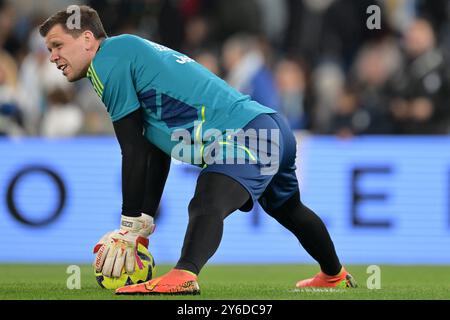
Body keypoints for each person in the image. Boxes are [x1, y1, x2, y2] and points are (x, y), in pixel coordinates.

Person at [39, 5, 356, 295]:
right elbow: (154, 148)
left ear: (87, 38)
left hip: (246, 133)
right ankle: (334, 275)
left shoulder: (109, 59)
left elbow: (132, 149)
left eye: (57, 45)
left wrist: (128, 224)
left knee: (208, 198)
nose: (52, 56)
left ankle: (185, 274)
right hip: (268, 128)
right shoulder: (125, 53)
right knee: (288, 209)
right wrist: (143, 219)